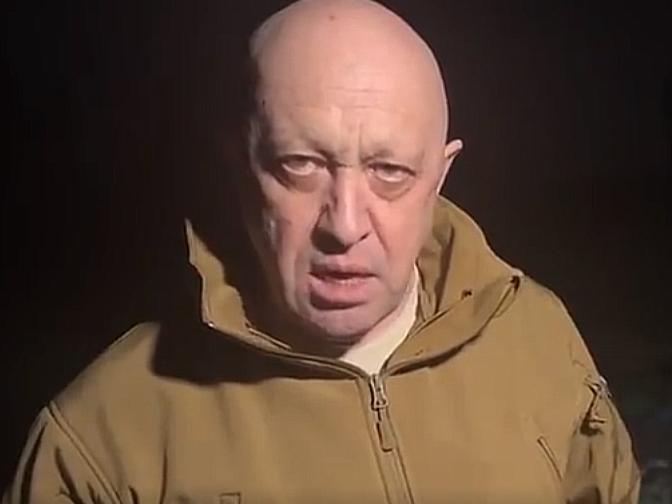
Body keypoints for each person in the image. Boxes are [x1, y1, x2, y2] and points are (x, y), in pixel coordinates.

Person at [4, 0, 640, 502]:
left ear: (440, 176)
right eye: (300, 165)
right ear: (239, 166)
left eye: (390, 171)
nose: (345, 224)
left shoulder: (538, 335)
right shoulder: (100, 438)